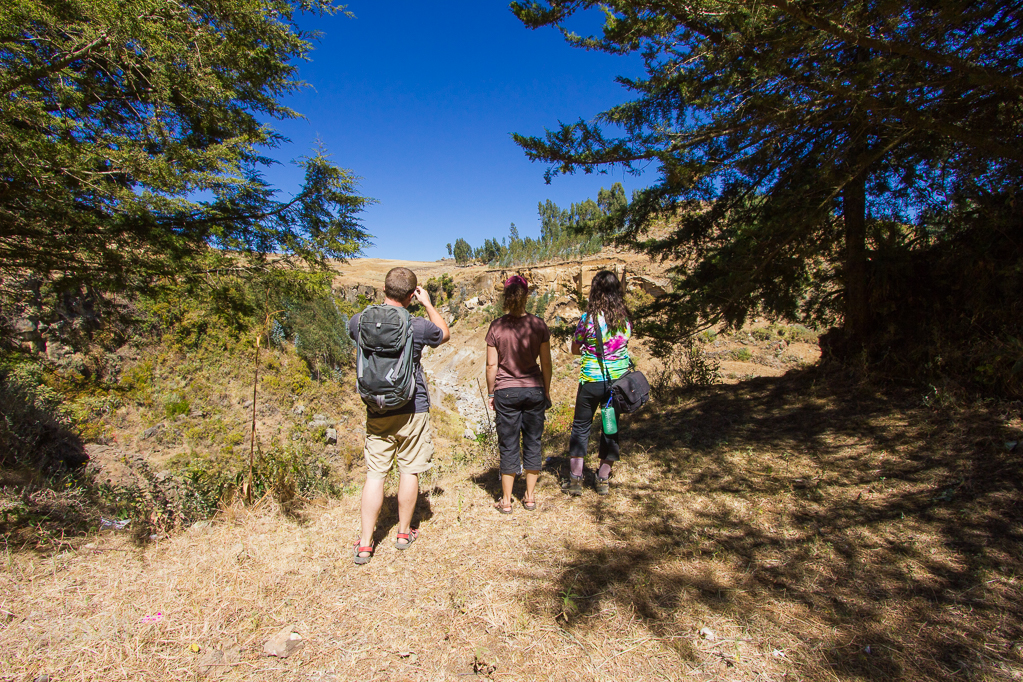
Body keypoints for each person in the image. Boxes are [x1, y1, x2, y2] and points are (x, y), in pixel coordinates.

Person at [348, 267, 450, 564]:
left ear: (384, 291)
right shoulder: (417, 325)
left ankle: (366, 543)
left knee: (375, 474)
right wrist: (428, 303)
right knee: (409, 470)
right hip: (412, 407)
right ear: (411, 295)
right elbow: (444, 334)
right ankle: (403, 533)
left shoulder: (359, 321)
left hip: (376, 408)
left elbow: (354, 333)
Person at [485, 275, 552, 513]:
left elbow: (492, 366)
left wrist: (492, 392)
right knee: (533, 441)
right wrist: (546, 390)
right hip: (534, 389)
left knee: (509, 444)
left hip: (506, 391)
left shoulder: (496, 327)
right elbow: (546, 363)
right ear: (526, 295)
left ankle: (506, 501)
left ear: (506, 296)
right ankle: (530, 497)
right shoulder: (539, 325)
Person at [567, 270, 632, 496]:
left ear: (595, 292)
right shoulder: (624, 319)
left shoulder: (587, 320)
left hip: (592, 380)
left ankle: (576, 479)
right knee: (610, 428)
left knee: (581, 427)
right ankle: (603, 478)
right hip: (617, 385)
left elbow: (575, 348)